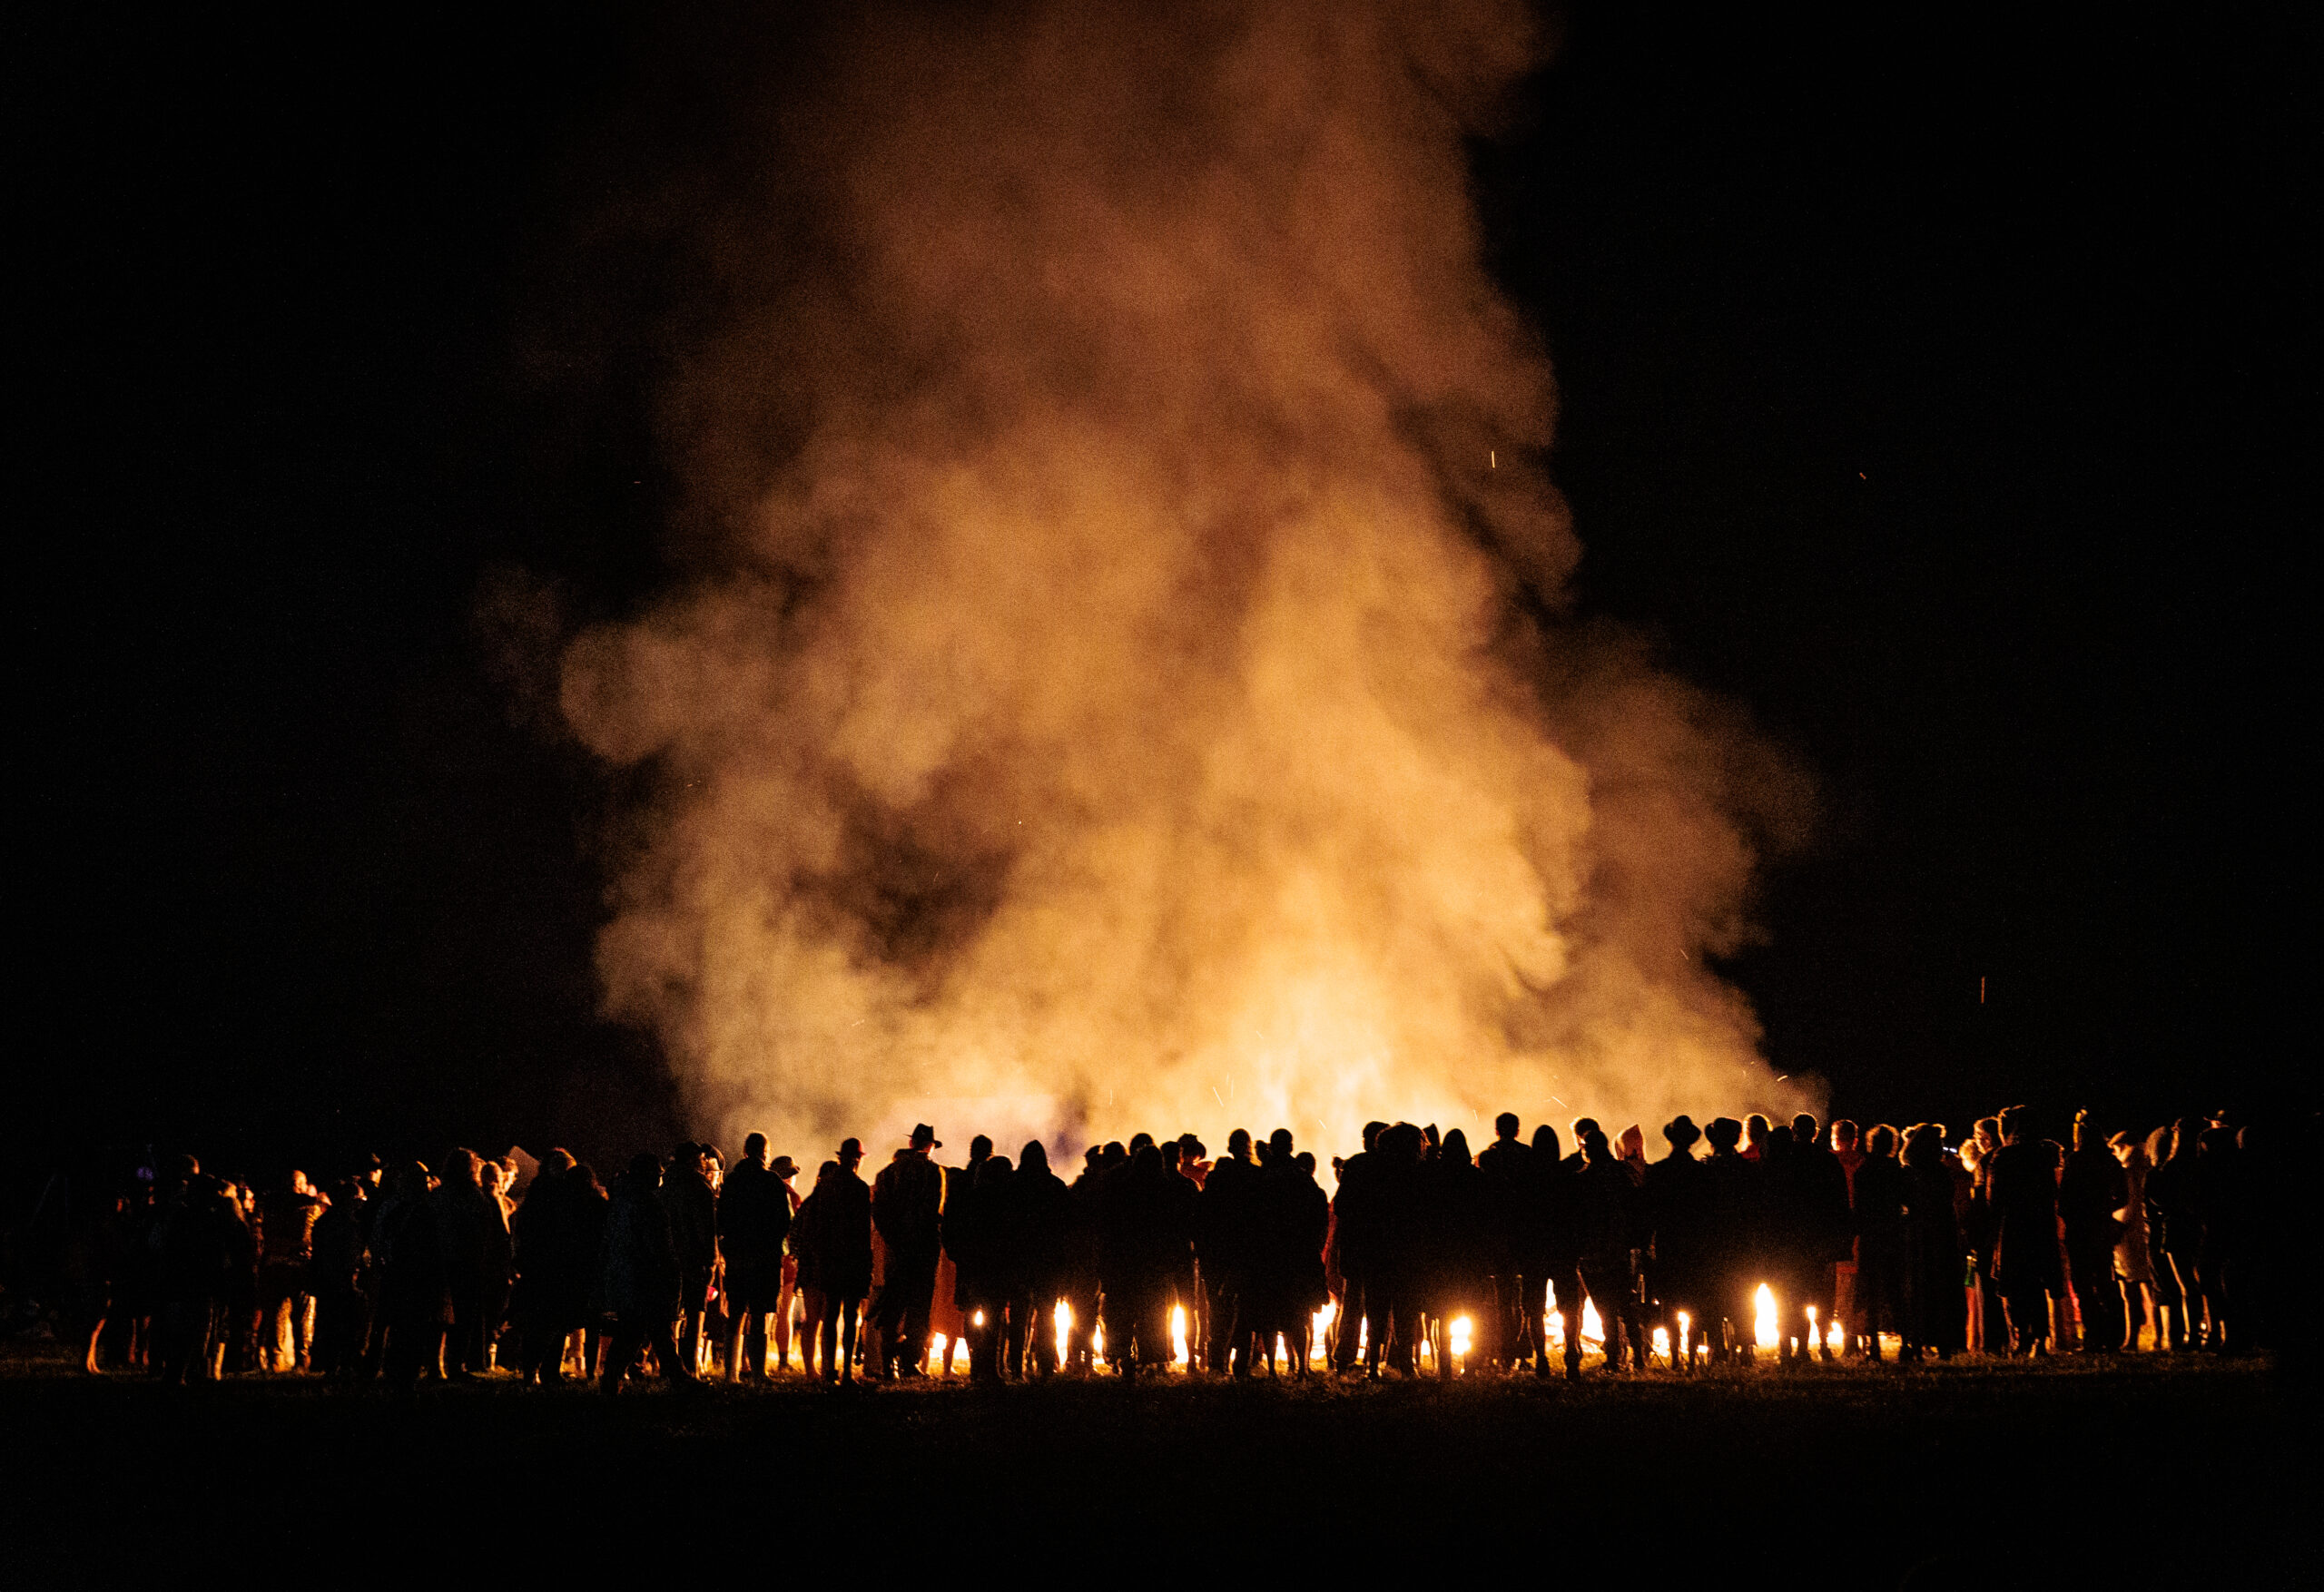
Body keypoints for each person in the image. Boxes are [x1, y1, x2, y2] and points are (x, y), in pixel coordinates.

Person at [598, 1153, 694, 1393]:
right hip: (646, 1277)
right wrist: (669, 1272)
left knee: (644, 1330)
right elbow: (658, 1246)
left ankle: (615, 1379)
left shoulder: (621, 1200)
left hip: (627, 1275)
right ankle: (676, 1378)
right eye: (657, 1174)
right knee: (645, 1330)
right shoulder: (647, 1204)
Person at [1986, 1107, 2064, 1356]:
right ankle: (2041, 1338)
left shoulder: (2004, 1156)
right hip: (2040, 1224)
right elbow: (2053, 1191)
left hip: (2014, 1226)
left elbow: (1993, 1198)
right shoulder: (2043, 1155)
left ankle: (2022, 1337)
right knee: (2037, 1283)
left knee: (2015, 1284)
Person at [793, 1141, 873, 1384]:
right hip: (849, 1260)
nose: (857, 1161)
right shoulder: (859, 1188)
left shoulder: (824, 1187)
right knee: (848, 1317)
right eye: (856, 1157)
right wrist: (865, 1262)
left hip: (830, 1261)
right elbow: (862, 1231)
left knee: (831, 1317)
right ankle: (846, 1371)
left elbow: (812, 1228)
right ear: (854, 1159)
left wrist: (817, 1257)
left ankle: (830, 1371)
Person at [871, 1125, 945, 1379]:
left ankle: (888, 1364)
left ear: (912, 1143)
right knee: (919, 1309)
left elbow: (878, 1212)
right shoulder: (934, 1172)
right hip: (924, 1251)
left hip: (898, 1251)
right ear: (930, 1146)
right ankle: (910, 1362)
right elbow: (935, 1212)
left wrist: (895, 1239)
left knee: (893, 1306)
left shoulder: (887, 1173)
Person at [719, 1133, 793, 1382]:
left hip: (738, 1256)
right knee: (760, 1314)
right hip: (765, 1258)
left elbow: (722, 1220)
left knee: (736, 1313)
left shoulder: (732, 1181)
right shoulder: (771, 1181)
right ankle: (759, 1374)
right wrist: (772, 1242)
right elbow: (785, 1220)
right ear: (766, 1152)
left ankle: (731, 1374)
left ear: (745, 1152)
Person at [2058, 1111, 2128, 1352]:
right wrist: (2107, 1209)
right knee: (2106, 1281)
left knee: (2084, 1285)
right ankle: (2115, 1334)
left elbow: (2065, 1196)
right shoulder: (2110, 1161)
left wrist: (2070, 1213)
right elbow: (2124, 1195)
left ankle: (2094, 1334)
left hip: (2080, 1229)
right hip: (2100, 1227)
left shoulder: (2075, 1161)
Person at [1898, 1123, 1965, 1361]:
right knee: (1943, 1288)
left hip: (1917, 1235)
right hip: (1942, 1236)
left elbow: (1903, 1203)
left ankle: (1915, 1341)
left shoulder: (1909, 1172)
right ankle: (1945, 1342)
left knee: (1917, 1288)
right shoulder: (1941, 1172)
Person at [254, 1171, 324, 1371]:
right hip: (297, 1265)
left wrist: (277, 1248)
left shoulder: (271, 1205)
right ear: (299, 1184)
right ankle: (302, 1361)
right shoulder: (308, 1206)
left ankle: (275, 1359)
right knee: (301, 1315)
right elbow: (306, 1237)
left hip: (274, 1264)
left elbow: (266, 1234)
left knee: (276, 1313)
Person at [1850, 1125, 1907, 1361]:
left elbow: (1859, 1207)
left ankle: (1873, 1346)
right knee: (1897, 1292)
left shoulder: (1863, 1171)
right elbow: (1906, 1202)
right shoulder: (1898, 1170)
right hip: (1893, 1234)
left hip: (1871, 1236)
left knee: (1870, 1293)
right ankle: (1907, 1344)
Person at [665, 1143, 719, 1378]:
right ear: (693, 1159)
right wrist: (711, 1260)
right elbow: (706, 1228)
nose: (705, 1161)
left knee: (669, 1315)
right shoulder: (699, 1186)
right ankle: (690, 1369)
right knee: (696, 1312)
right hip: (694, 1259)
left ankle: (669, 1369)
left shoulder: (664, 1184)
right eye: (702, 1157)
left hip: (667, 1258)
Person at [2108, 1131, 2157, 1350]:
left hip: (2127, 1234)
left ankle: (2132, 1339)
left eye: (2117, 1149)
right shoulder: (2147, 1168)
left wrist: (2115, 1227)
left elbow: (2127, 1204)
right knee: (2151, 1285)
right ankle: (2160, 1335)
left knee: (2130, 1289)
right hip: (2146, 1232)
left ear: (2124, 1147)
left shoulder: (2126, 1172)